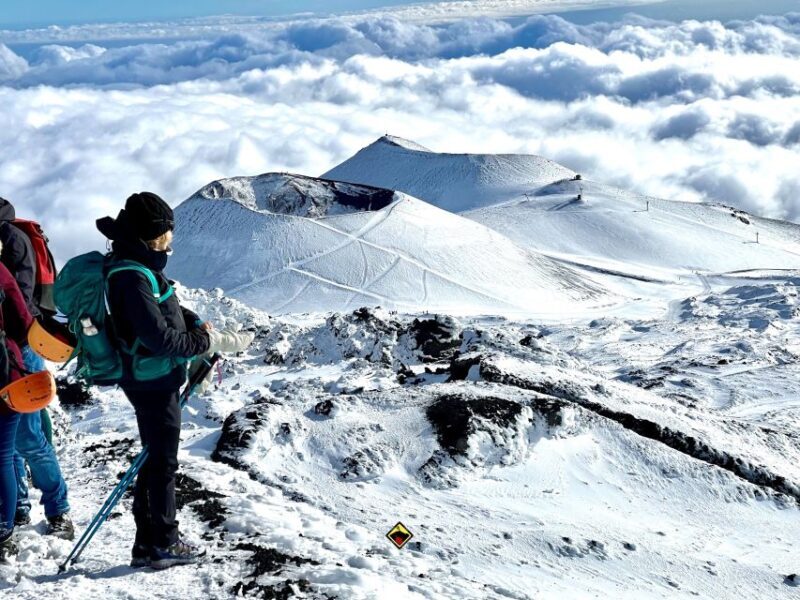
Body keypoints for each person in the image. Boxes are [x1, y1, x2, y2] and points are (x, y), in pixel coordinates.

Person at [97, 192, 252, 570]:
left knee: (154, 459)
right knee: (162, 463)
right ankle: (163, 542)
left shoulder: (138, 264)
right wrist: (201, 341)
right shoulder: (131, 274)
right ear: (153, 234)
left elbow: (165, 306)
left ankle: (147, 543)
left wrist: (193, 320)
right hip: (151, 380)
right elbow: (159, 338)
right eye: (168, 230)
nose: (172, 237)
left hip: (151, 377)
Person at [0, 197, 72, 538]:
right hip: (8, 349)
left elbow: (21, 301)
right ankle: (18, 507)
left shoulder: (13, 239)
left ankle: (59, 508)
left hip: (22, 348)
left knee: (28, 437)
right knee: (8, 437)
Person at [0, 241, 36, 561]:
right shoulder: (2, 274)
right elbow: (25, 327)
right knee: (4, 456)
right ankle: (3, 534)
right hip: (4, 378)